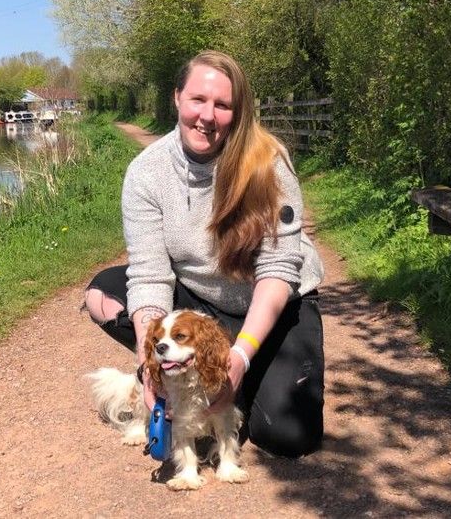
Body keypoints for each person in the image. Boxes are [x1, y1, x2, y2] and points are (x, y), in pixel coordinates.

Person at [84, 50, 325, 457]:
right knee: (101, 295)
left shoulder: (269, 163)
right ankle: (183, 365)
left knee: (289, 435)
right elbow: (149, 275)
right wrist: (151, 366)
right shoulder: (147, 172)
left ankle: (232, 373)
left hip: (270, 305)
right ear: (177, 98)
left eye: (223, 105)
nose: (207, 116)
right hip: (197, 301)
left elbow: (279, 269)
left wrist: (242, 357)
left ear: (238, 111)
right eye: (198, 99)